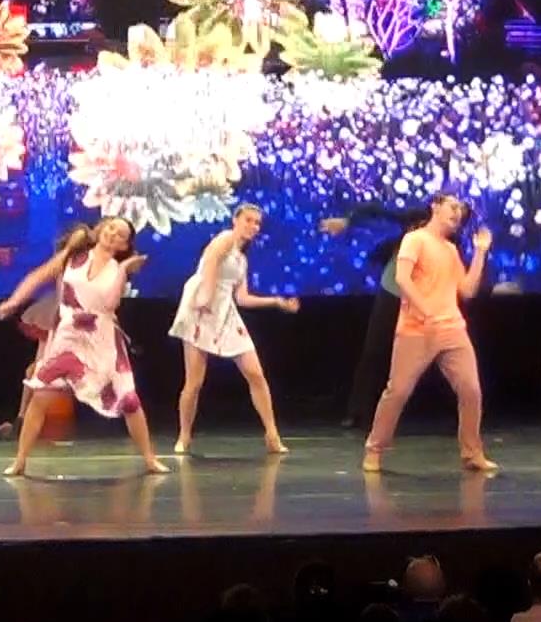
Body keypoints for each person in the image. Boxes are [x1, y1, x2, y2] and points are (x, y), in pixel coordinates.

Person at [0, 216, 169, 477]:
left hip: (101, 341)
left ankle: (150, 459)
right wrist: (14, 301)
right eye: (111, 227)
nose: (113, 234)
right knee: (41, 395)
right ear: (101, 228)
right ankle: (20, 461)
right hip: (68, 338)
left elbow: (110, 305)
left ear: (124, 245)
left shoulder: (115, 270)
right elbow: (38, 276)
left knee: (129, 400)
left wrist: (123, 269)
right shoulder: (73, 257)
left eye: (120, 235)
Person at [362, 192, 497, 474]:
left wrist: (480, 252)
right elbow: (402, 278)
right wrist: (426, 311)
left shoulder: (450, 249)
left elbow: (467, 290)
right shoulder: (415, 239)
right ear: (435, 207)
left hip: (451, 328)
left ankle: (472, 453)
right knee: (398, 391)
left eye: (460, 210)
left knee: (471, 390)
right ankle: (374, 449)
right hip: (417, 329)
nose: (457, 213)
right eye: (452, 206)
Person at [170, 204, 300, 455]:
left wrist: (276, 302)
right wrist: (205, 296)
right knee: (194, 382)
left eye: (257, 223)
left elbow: (242, 297)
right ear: (236, 220)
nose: (253, 226)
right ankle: (184, 435)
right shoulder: (225, 238)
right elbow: (210, 264)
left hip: (225, 311)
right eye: (248, 220)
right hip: (201, 307)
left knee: (255, 374)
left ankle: (272, 435)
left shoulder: (241, 259)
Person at [0, 222, 120, 438]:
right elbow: (38, 276)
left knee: (110, 376)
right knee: (40, 374)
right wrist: (14, 301)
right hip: (66, 325)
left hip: (92, 327)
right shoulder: (68, 260)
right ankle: (22, 422)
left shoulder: (107, 264)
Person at [319, 204, 429, 430]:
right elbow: (374, 210)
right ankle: (358, 412)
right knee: (374, 352)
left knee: (429, 355)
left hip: (424, 300)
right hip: (392, 293)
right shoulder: (415, 218)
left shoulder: (449, 239)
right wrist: (348, 221)